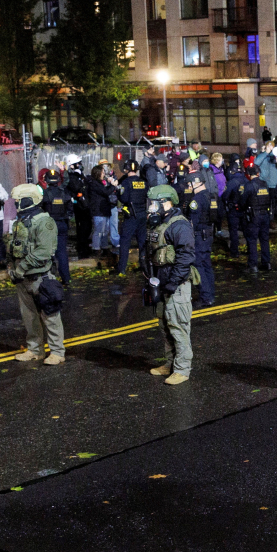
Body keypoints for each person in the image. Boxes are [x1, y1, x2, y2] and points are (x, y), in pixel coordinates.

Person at [7, 184, 66, 365]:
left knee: (50, 316)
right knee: (29, 317)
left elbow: (44, 251)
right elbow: (14, 247)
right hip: (22, 278)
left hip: (40, 277)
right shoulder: (21, 220)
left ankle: (57, 352)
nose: (16, 204)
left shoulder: (44, 222)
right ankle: (35, 350)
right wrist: (12, 268)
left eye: (18, 200)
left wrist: (21, 267)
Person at [145, 185, 197, 385]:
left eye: (154, 203)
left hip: (176, 284)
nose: (151, 207)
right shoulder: (160, 223)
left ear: (166, 202)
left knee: (178, 326)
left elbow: (186, 256)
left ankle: (183, 369)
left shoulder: (179, 225)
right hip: (161, 281)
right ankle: (170, 364)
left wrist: (173, 282)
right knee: (164, 325)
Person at [179, 169, 218, 308]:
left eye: (189, 184)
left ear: (195, 183)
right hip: (208, 234)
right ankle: (211, 294)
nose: (189, 187)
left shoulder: (196, 200)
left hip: (199, 236)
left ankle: (205, 297)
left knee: (198, 266)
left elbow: (192, 223)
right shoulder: (211, 196)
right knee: (207, 265)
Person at [238, 164, 274, 276]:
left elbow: (243, 202)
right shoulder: (264, 184)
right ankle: (266, 263)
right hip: (265, 215)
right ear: (258, 173)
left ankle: (253, 265)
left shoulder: (248, 186)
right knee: (264, 239)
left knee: (252, 240)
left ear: (248, 175)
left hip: (254, 216)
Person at [116, 160, 149, 276]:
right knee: (142, 242)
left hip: (131, 215)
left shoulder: (125, 183)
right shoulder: (144, 182)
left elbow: (123, 198)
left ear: (126, 170)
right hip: (142, 214)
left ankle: (122, 269)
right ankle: (144, 266)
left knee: (125, 242)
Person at [64, 155, 92, 258]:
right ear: (72, 166)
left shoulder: (80, 175)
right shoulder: (72, 177)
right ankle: (82, 250)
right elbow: (77, 188)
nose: (79, 165)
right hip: (79, 206)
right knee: (82, 229)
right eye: (77, 164)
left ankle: (84, 247)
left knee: (87, 227)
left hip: (85, 205)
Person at [221, 156, 247, 258]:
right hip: (245, 209)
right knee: (246, 230)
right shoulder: (246, 180)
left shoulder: (231, 182)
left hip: (233, 209)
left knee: (233, 231)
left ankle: (234, 252)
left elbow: (225, 196)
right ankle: (250, 248)